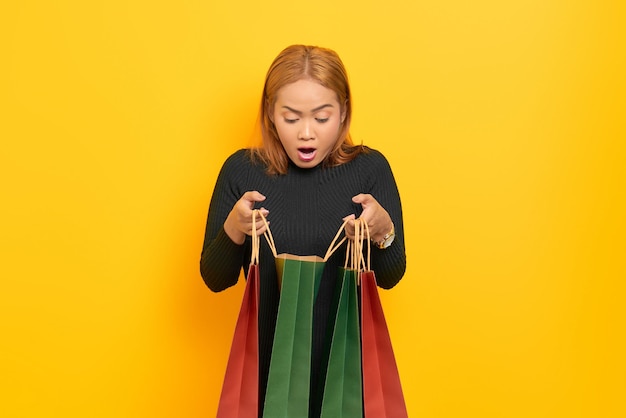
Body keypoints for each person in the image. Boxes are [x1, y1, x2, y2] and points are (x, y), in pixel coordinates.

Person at [200, 44, 406, 417]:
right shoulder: (241, 171)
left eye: (321, 118)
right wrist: (234, 226)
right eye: (291, 118)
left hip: (345, 376)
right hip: (264, 377)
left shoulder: (370, 170)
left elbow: (392, 275)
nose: (306, 134)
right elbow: (214, 279)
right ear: (270, 114)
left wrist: (383, 230)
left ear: (343, 112)